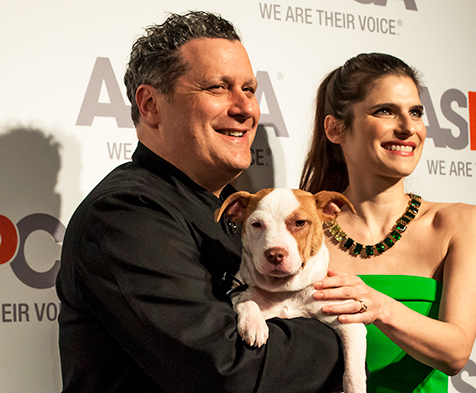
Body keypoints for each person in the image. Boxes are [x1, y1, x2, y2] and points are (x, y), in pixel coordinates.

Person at [56, 11, 344, 393]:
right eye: (217, 88)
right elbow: (227, 372)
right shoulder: (127, 212)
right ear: (150, 105)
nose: (246, 108)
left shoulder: (238, 209)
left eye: (250, 89)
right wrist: (344, 333)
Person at [300, 53, 476, 392]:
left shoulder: (463, 224)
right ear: (335, 129)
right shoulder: (303, 231)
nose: (408, 127)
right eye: (385, 111)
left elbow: (456, 352)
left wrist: (377, 306)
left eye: (416, 112)